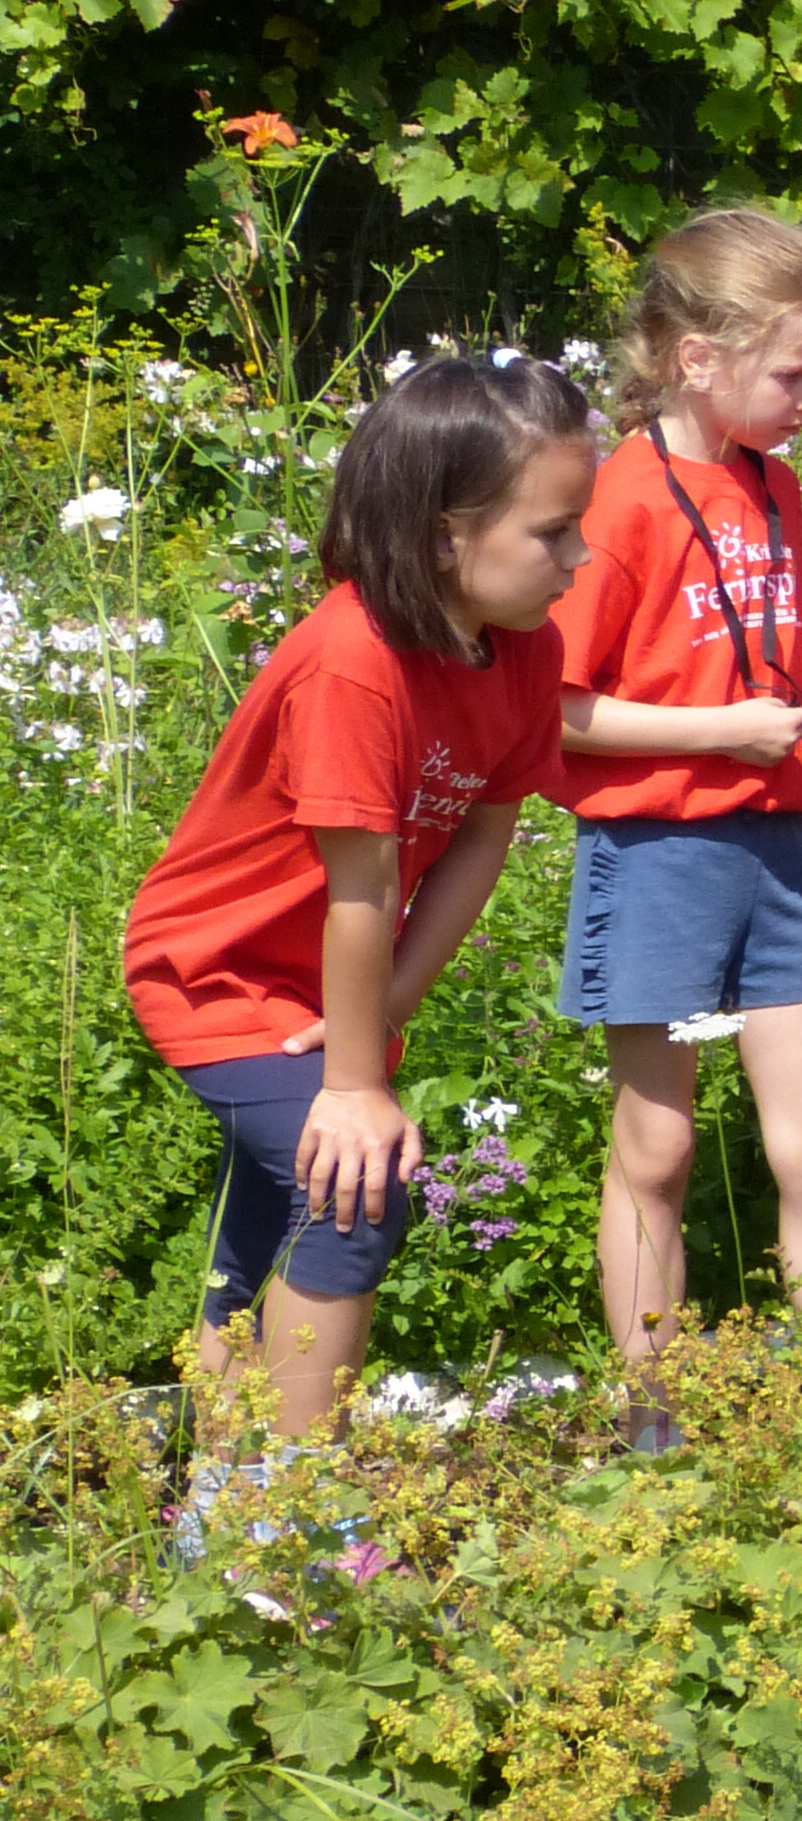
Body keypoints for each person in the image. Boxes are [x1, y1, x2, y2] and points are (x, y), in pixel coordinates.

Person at [127, 352, 594, 1447]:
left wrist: (375, 1022)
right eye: (553, 531)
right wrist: (351, 1084)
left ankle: (213, 1507)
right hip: (217, 972)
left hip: (333, 982)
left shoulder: (523, 647)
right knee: (357, 1186)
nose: (579, 556)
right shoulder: (353, 660)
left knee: (281, 1209)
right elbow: (363, 880)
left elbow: (483, 831)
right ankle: (285, 1517)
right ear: (444, 533)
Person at [554, 210, 802, 1451]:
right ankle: (650, 1410)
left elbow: (745, 646)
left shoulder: (769, 485)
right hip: (660, 862)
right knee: (660, 1138)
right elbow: (561, 708)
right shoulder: (617, 500)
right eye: (794, 371)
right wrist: (719, 735)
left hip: (769, 855)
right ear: (699, 357)